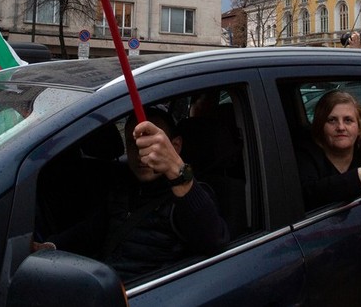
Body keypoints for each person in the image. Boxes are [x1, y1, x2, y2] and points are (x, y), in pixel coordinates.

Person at [42, 107, 229, 280]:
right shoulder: (122, 186)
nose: (141, 155)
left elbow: (214, 241)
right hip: (107, 284)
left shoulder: (189, 194)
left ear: (175, 146)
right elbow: (91, 231)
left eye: (151, 145)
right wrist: (50, 247)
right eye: (134, 144)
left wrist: (177, 170)